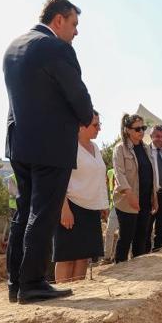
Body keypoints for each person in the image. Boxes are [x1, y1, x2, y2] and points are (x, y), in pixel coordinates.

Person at [3, 0, 94, 304]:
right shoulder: (56, 48)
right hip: (51, 144)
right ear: (58, 20)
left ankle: (16, 283)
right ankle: (33, 282)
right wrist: (87, 115)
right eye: (74, 24)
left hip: (19, 142)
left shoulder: (13, 47)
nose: (76, 32)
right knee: (44, 211)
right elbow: (76, 92)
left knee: (24, 211)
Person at [53, 111, 108, 282]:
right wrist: (64, 209)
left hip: (91, 209)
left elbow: (99, 177)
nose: (99, 128)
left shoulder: (96, 148)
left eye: (99, 124)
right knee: (67, 256)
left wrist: (103, 204)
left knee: (83, 255)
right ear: (81, 126)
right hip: (70, 207)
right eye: (95, 125)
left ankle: (78, 293)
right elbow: (58, 180)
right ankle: (63, 292)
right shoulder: (67, 146)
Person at [112, 114, 158, 262]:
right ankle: (120, 268)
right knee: (126, 237)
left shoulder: (146, 148)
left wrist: (154, 197)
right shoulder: (120, 149)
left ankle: (139, 270)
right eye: (137, 129)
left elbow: (151, 175)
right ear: (127, 130)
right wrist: (130, 195)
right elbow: (119, 174)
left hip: (144, 200)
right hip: (127, 202)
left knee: (142, 237)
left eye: (143, 128)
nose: (141, 132)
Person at [103, 167, 118, 263]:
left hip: (126, 205)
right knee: (109, 231)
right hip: (114, 206)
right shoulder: (110, 172)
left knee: (123, 233)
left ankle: (118, 255)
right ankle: (107, 257)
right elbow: (103, 187)